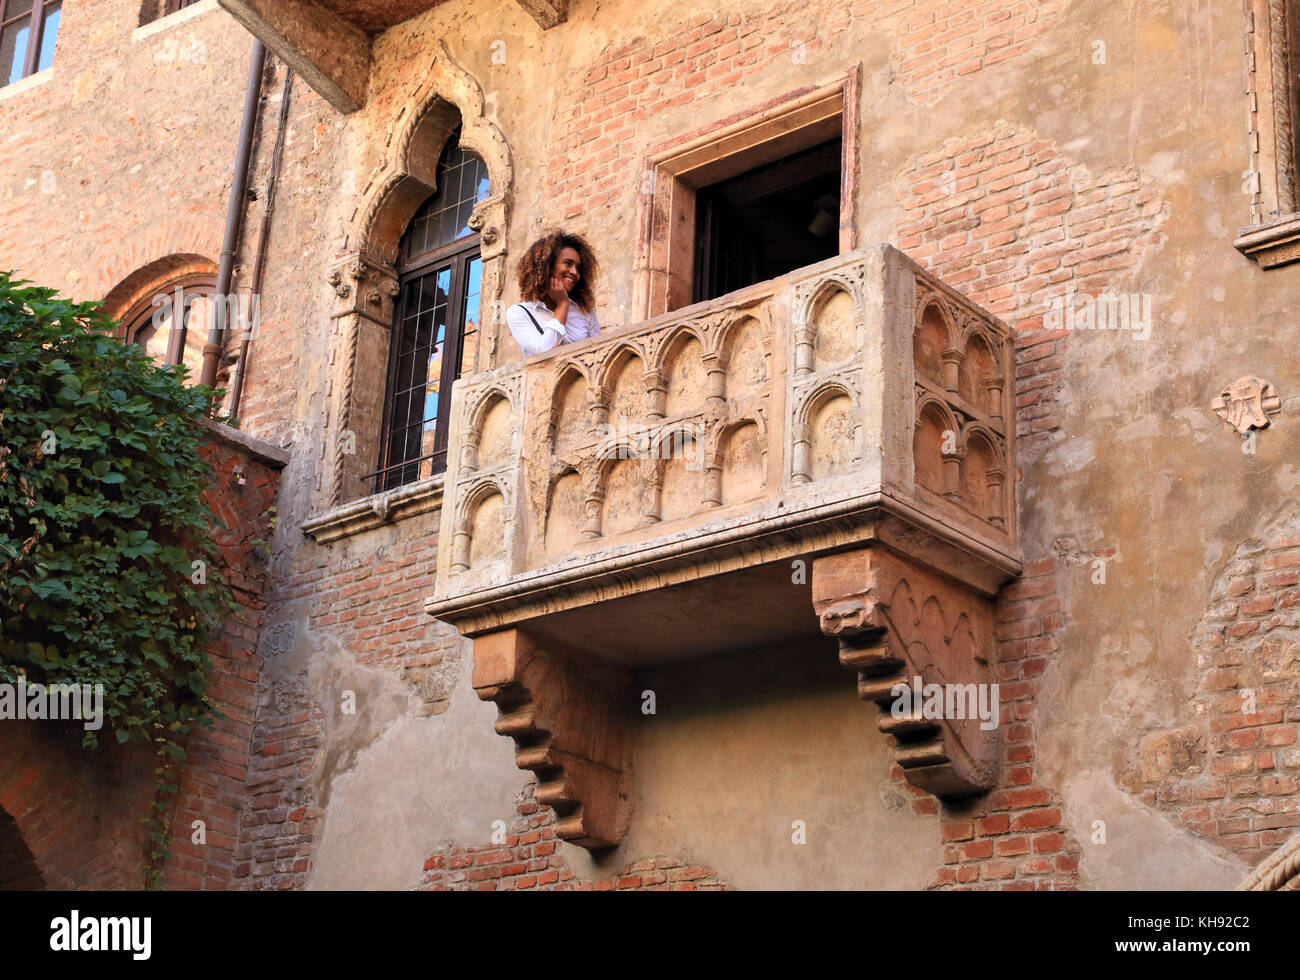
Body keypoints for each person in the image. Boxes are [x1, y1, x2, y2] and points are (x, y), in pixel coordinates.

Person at [506, 231, 600, 356]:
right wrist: (562, 305)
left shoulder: (584, 310)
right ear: (548, 266)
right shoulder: (519, 313)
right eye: (568, 263)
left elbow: (598, 351)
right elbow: (544, 353)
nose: (574, 272)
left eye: (578, 268)